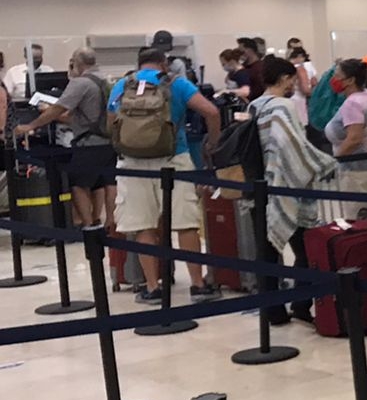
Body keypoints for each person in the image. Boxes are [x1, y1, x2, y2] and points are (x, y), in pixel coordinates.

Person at [107, 47, 222, 302]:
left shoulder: (122, 85)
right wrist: (211, 144)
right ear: (164, 64)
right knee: (185, 223)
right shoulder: (176, 83)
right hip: (174, 158)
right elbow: (212, 112)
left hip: (132, 164)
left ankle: (152, 287)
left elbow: (110, 122)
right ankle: (197, 284)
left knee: (142, 226)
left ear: (139, 65)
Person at [251, 56, 337, 327]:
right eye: (291, 80)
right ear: (284, 79)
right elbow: (292, 147)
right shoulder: (283, 106)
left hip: (261, 187)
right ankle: (301, 303)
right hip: (288, 186)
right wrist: (324, 163)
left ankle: (273, 310)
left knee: (267, 253)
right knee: (305, 249)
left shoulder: (254, 105)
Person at [12, 47, 114, 227]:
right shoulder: (106, 79)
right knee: (102, 182)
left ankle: (88, 225)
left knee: (77, 183)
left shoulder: (80, 83)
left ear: (77, 62)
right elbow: (75, 116)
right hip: (108, 140)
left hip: (88, 142)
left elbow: (59, 108)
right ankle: (106, 222)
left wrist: (32, 125)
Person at [328, 58, 367, 195]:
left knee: (356, 212)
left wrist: (333, 162)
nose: (334, 79)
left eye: (338, 76)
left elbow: (354, 138)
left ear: (350, 80)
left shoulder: (353, 104)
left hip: (356, 172)